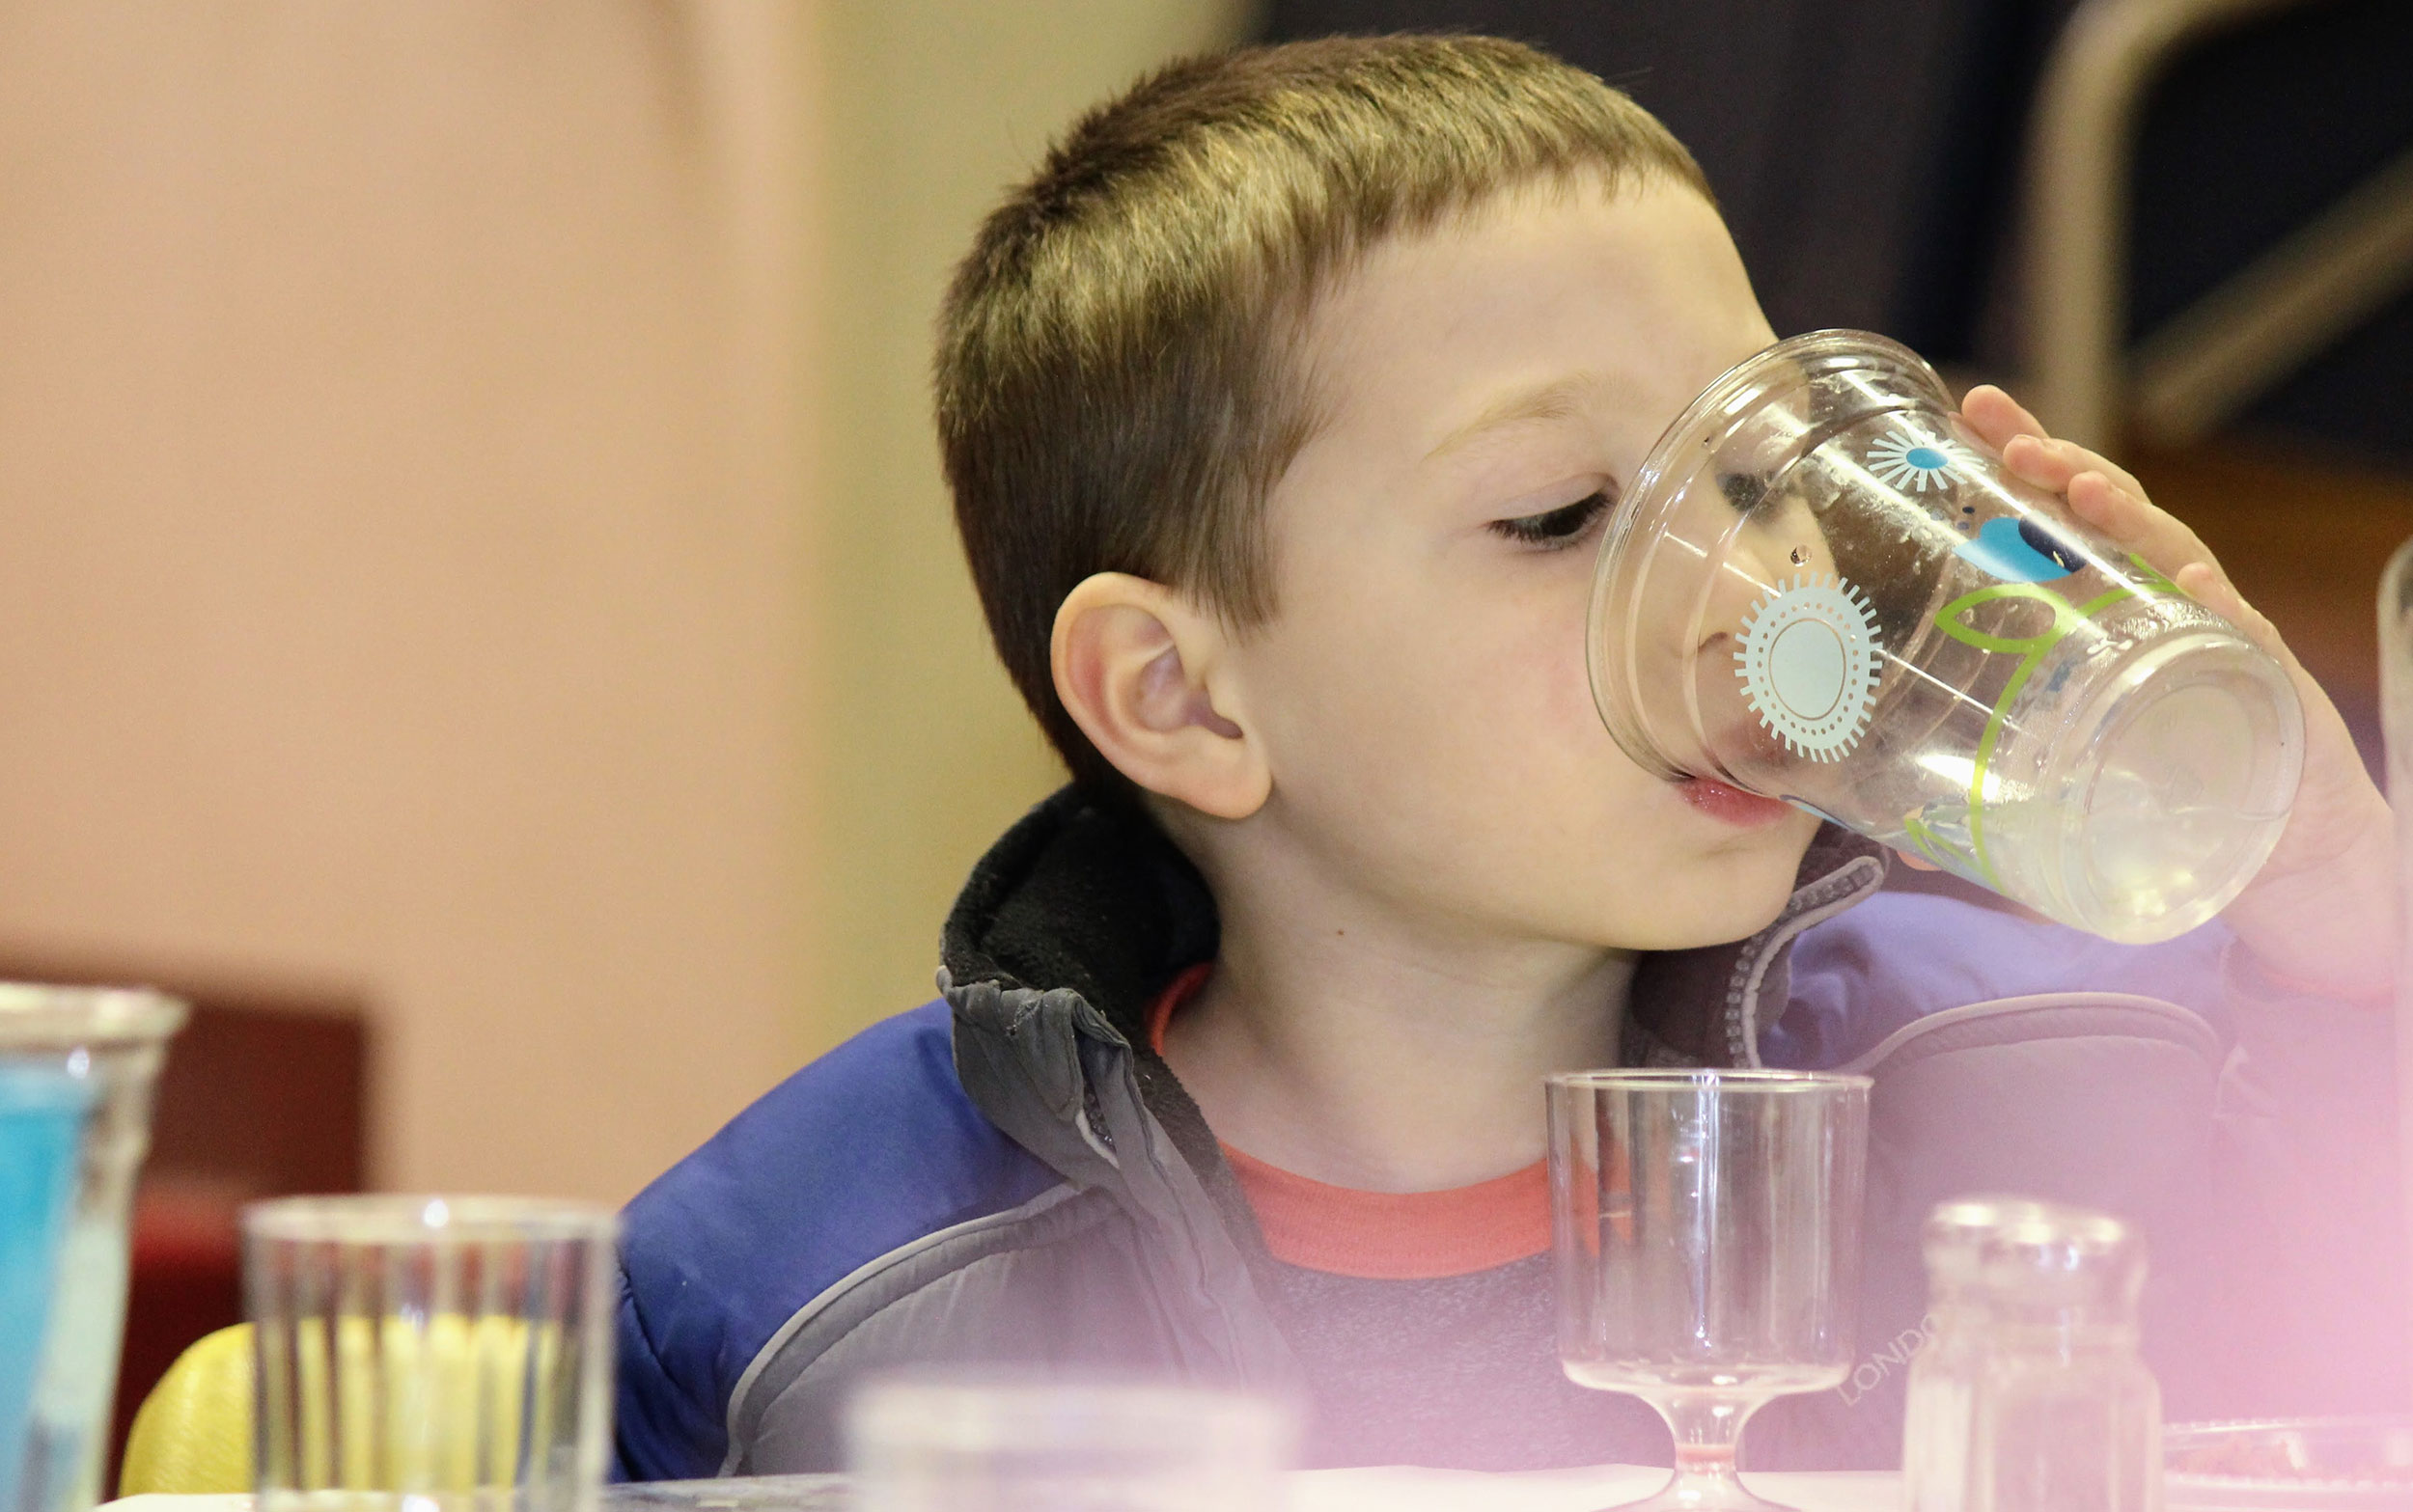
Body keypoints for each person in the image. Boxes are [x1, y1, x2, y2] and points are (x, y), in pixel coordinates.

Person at [613, 35, 2401, 1477]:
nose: (1756, 601)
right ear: (1184, 700)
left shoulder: (2043, 1074)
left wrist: (2338, 898)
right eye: (1557, 515)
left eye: (1759, 478)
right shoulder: (813, 1278)